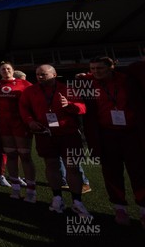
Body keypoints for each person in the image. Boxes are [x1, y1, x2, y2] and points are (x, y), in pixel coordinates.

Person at [19, 64, 90, 216]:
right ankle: (57, 197)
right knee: (51, 165)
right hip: (45, 134)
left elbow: (82, 108)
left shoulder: (67, 88)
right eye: (38, 74)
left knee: (73, 167)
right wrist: (30, 121)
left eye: (43, 74)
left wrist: (70, 105)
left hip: (68, 133)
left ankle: (77, 201)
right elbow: (23, 108)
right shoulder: (30, 91)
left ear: (54, 74)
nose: (40, 76)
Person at [82, 56, 145, 227]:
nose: (96, 72)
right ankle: (119, 207)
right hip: (106, 134)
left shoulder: (129, 80)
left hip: (132, 133)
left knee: (139, 171)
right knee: (111, 172)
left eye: (100, 68)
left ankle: (143, 210)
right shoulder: (88, 83)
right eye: (92, 69)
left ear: (111, 67)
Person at [0, 62, 36, 201]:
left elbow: (36, 98)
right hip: (4, 125)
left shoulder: (24, 84)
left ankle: (31, 191)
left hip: (21, 124)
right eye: (3, 69)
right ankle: (15, 188)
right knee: (10, 155)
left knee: (25, 156)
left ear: (13, 70)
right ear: (0, 72)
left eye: (8, 68)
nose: (6, 70)